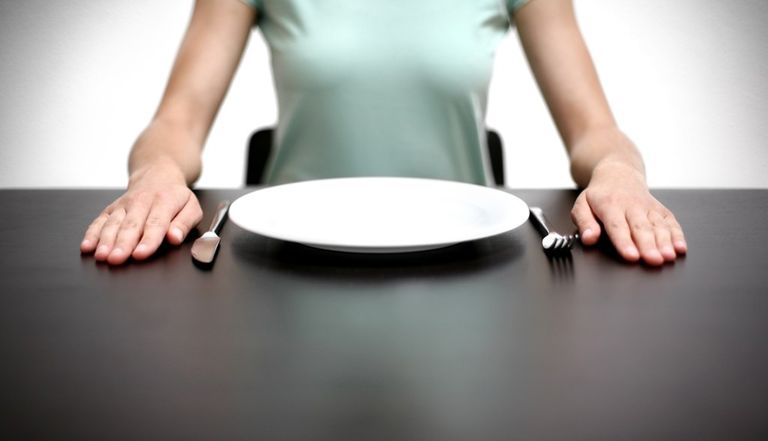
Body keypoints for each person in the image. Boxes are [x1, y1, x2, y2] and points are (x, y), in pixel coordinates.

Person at [80, 0, 687, 266]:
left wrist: (620, 174)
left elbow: (596, 132)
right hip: (285, 265)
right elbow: (176, 122)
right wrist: (155, 172)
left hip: (466, 268)